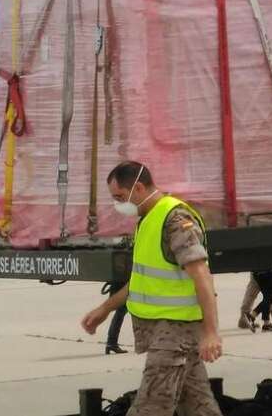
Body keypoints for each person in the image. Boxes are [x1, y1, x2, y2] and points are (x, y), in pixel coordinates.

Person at [80, 161, 223, 416]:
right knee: (198, 406)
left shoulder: (175, 218)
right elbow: (141, 281)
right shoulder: (148, 219)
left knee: (151, 406)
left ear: (140, 188)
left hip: (175, 333)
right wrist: (105, 309)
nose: (118, 204)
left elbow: (202, 275)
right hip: (165, 330)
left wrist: (211, 333)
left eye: (120, 197)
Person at [102, 280, 128, 354]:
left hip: (118, 284)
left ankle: (111, 343)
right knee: (121, 313)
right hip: (122, 285)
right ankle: (112, 342)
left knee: (120, 313)